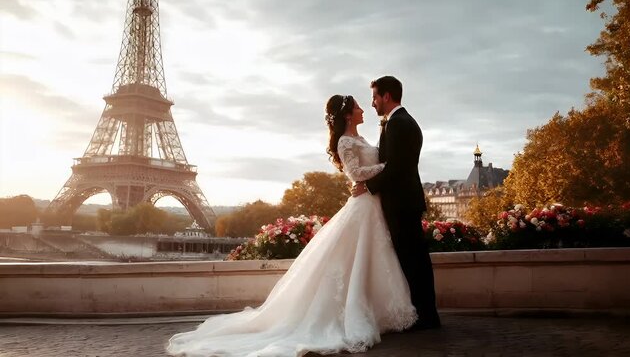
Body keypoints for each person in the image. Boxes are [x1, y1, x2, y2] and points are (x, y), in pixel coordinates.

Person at [166, 94, 417, 357]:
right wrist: (387, 167)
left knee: (368, 261)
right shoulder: (345, 141)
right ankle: (355, 314)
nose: (362, 109)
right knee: (361, 261)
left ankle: (373, 312)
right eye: (357, 107)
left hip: (371, 204)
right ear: (347, 115)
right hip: (364, 205)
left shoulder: (361, 139)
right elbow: (355, 174)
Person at [352, 76, 441, 330]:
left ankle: (426, 317)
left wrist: (367, 187)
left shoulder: (399, 124)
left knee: (413, 261)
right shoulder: (400, 122)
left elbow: (397, 169)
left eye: (374, 97)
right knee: (414, 260)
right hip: (404, 202)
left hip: (402, 204)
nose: (372, 103)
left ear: (386, 96)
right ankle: (426, 314)